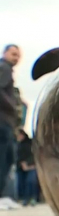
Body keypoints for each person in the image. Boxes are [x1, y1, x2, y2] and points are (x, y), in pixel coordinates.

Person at [0, 44, 20, 199]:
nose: (16, 58)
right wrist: (13, 106)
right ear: (5, 53)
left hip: (6, 121)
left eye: (18, 55)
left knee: (7, 158)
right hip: (3, 120)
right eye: (13, 54)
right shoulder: (4, 68)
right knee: (4, 159)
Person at [14, 127, 38, 206]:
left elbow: (33, 155)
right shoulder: (18, 144)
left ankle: (32, 198)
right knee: (21, 183)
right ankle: (24, 198)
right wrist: (21, 163)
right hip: (21, 167)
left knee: (30, 182)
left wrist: (28, 163)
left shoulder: (29, 143)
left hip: (31, 166)